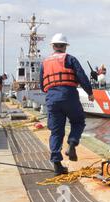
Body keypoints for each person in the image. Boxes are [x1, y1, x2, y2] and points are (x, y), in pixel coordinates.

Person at [40, 33, 94, 176]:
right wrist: (89, 92)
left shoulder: (45, 62)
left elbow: (41, 84)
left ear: (53, 46)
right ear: (64, 46)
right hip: (69, 94)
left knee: (56, 131)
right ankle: (72, 143)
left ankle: (57, 166)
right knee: (78, 121)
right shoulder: (70, 59)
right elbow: (81, 76)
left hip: (52, 98)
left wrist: (52, 90)